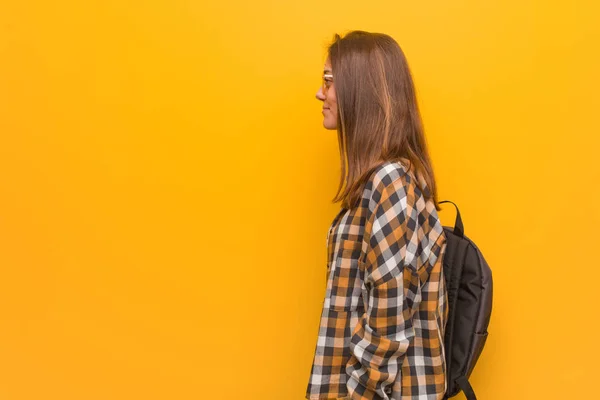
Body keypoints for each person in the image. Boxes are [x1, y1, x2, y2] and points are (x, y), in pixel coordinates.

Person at [306, 31, 448, 400]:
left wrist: (358, 393)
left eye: (329, 81)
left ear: (360, 89)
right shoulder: (384, 182)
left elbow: (388, 321)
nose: (321, 94)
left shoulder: (390, 181)